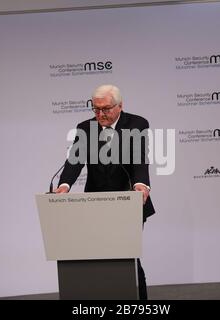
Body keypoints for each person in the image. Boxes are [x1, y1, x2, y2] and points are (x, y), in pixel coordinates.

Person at [55, 84, 155, 300]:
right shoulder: (85, 128)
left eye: (106, 109)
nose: (100, 114)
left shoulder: (136, 123)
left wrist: (140, 184)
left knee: (128, 258)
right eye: (96, 109)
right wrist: (64, 186)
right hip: (95, 205)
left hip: (129, 202)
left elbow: (139, 158)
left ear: (120, 106)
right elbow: (74, 161)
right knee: (99, 259)